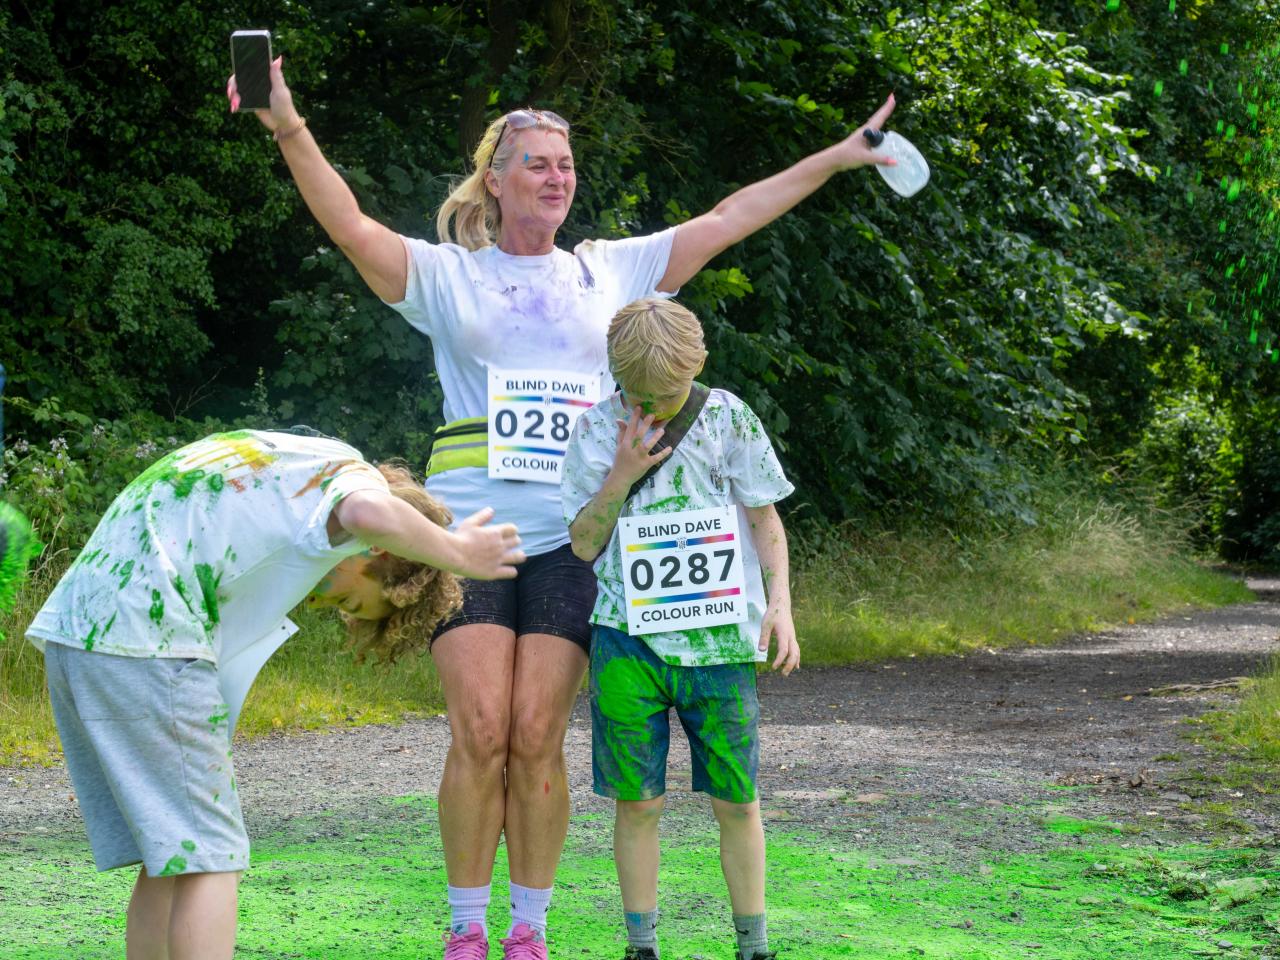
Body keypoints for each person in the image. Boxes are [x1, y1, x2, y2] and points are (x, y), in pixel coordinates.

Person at [229, 55, 893, 959]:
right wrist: (289, 126)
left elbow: (733, 216)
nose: (556, 176)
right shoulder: (447, 276)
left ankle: (528, 933)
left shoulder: (610, 271)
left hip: (578, 543)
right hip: (463, 540)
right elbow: (348, 225)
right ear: (495, 181)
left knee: (537, 733)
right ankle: (467, 928)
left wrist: (841, 154)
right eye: (537, 162)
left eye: (566, 165)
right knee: (481, 730)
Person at [24, 429, 524, 960]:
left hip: (78, 632)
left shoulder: (292, 470)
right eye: (356, 603)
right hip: (146, 636)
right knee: (211, 856)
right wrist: (457, 553)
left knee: (171, 855)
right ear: (382, 555)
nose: (333, 605)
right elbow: (365, 516)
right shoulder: (349, 482)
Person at [561, 298, 799, 960]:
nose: (657, 408)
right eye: (641, 397)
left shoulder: (728, 418)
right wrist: (621, 474)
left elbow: (765, 519)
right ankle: (642, 947)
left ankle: (754, 946)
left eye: (670, 395)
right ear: (614, 378)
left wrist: (779, 604)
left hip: (720, 646)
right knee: (636, 804)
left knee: (737, 799)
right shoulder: (592, 431)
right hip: (626, 643)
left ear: (698, 368)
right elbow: (580, 545)